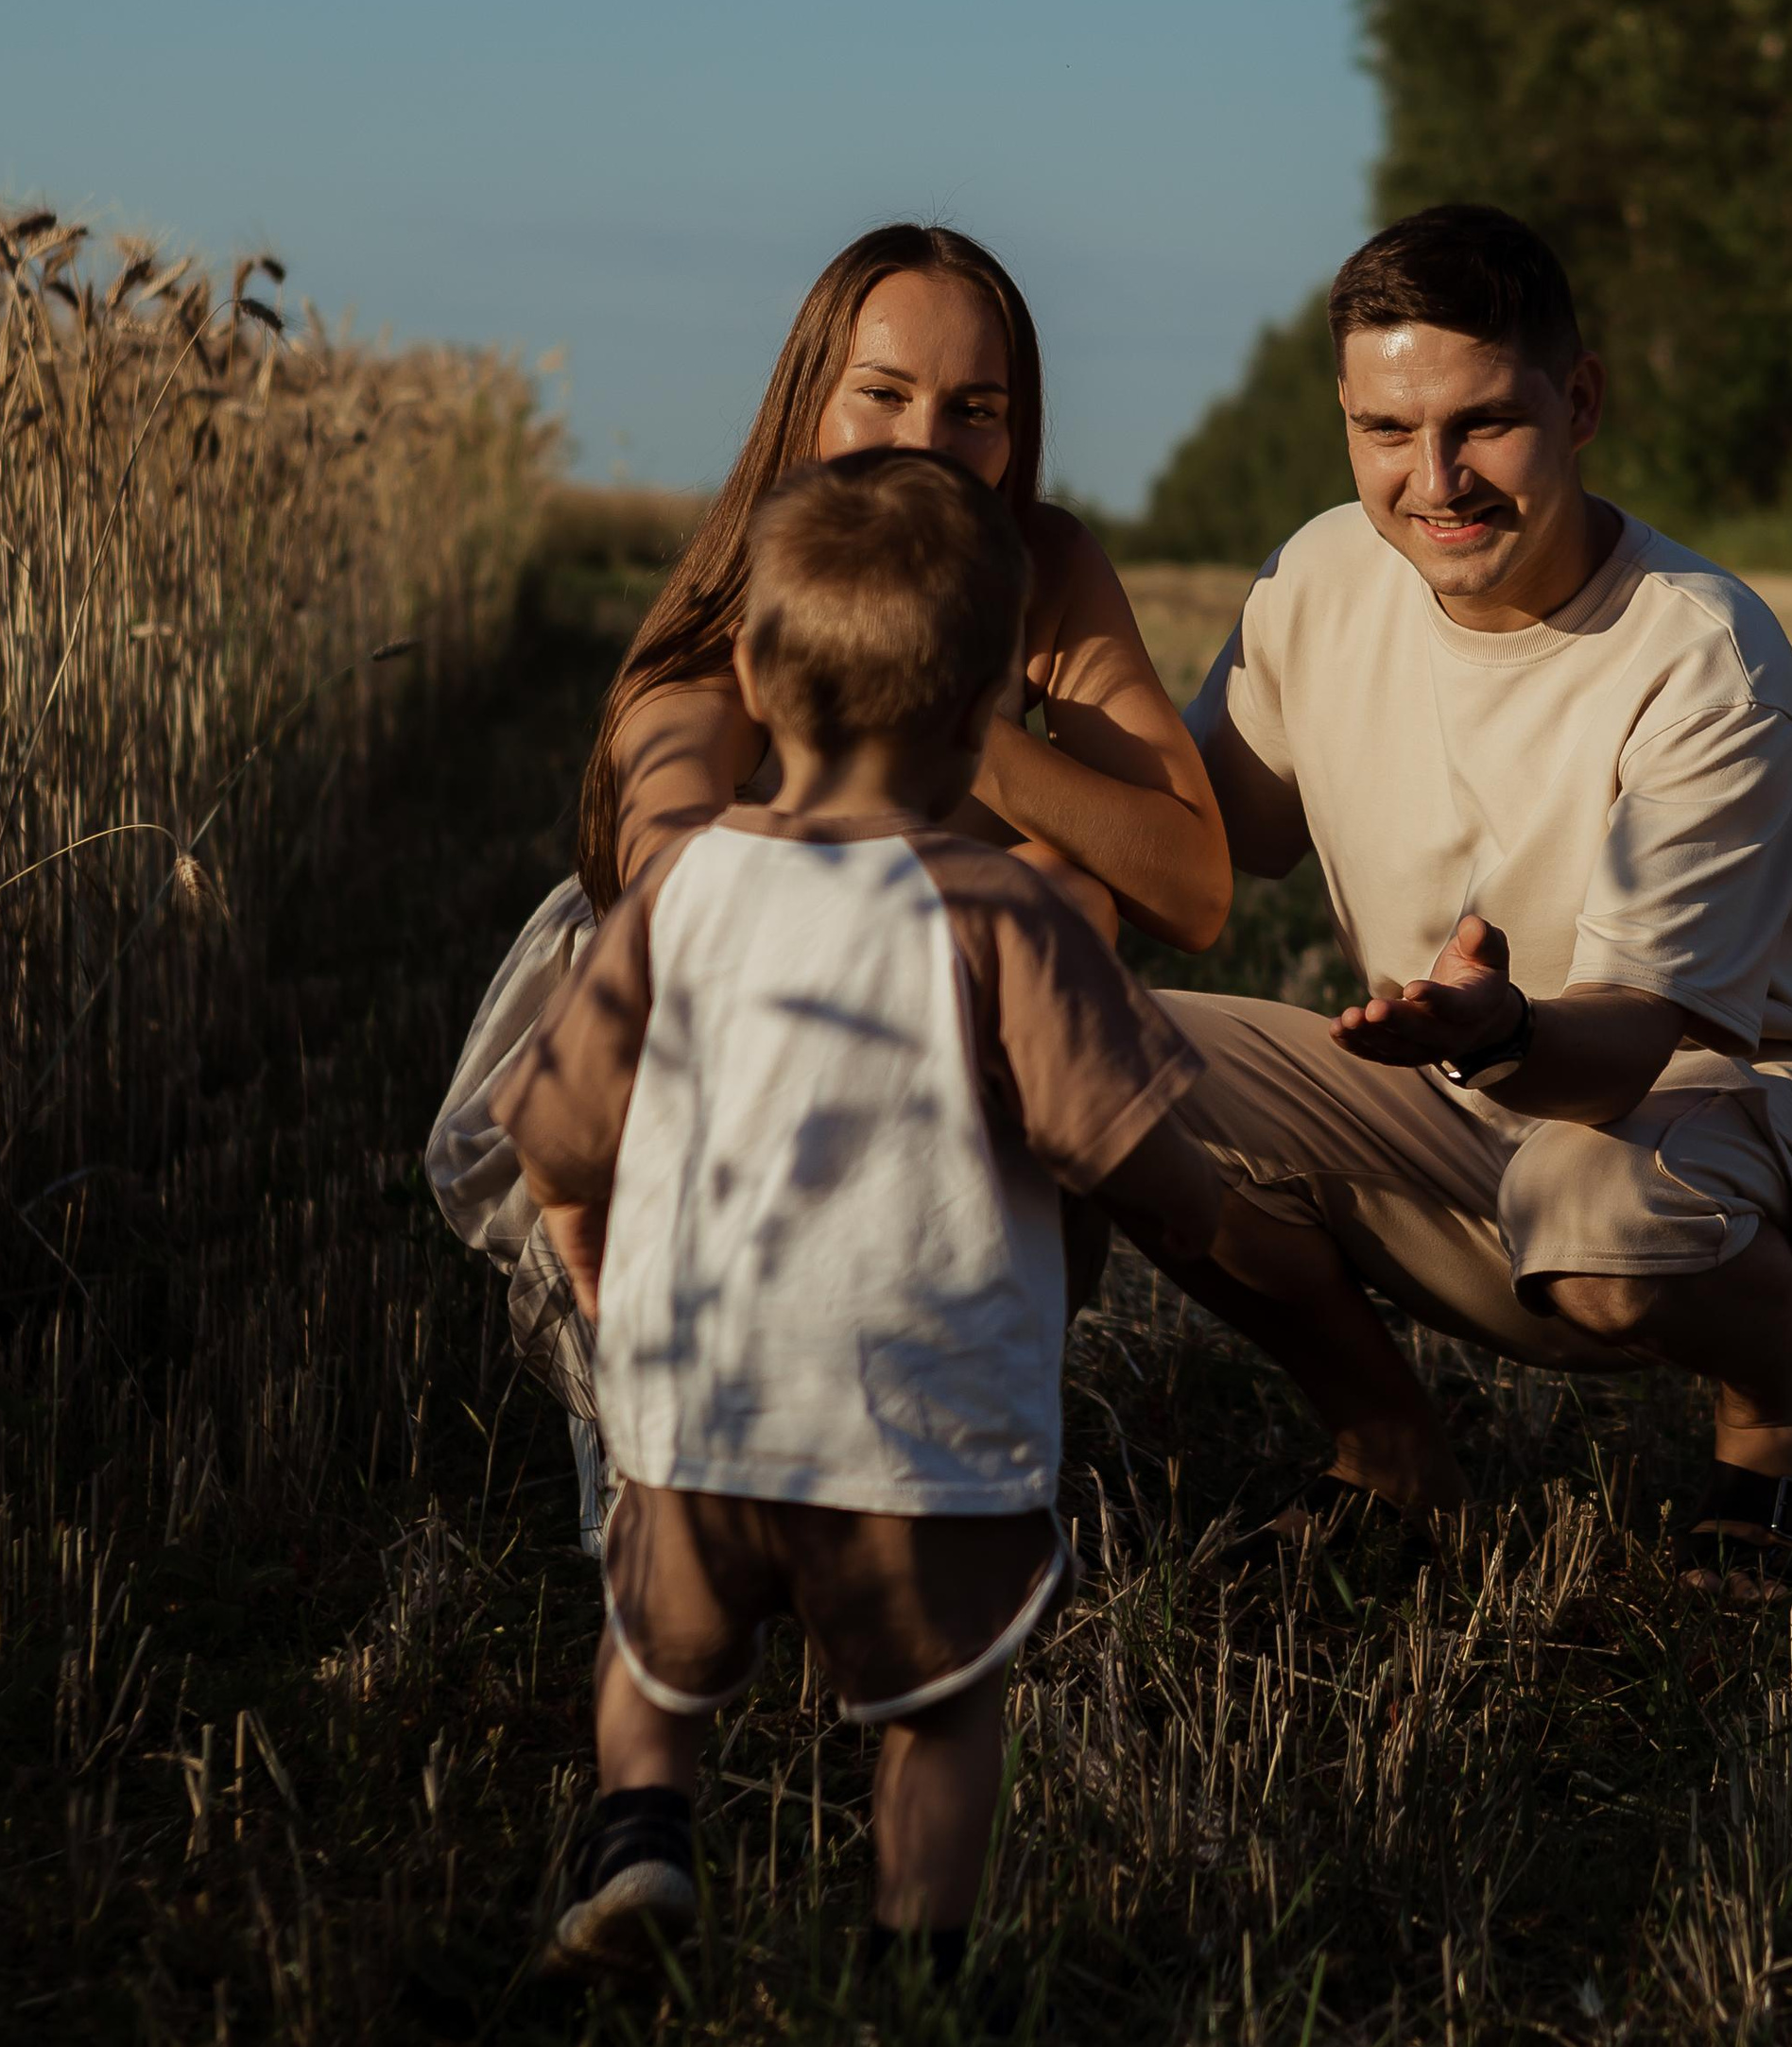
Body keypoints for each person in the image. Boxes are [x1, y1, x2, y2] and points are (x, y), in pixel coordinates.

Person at [494, 448, 1229, 1973]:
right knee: (943, 1712)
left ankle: (642, 1836)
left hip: (698, 1414)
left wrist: (582, 1231)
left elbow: (557, 1126)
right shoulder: (1003, 914)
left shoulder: (678, 893)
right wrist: (1207, 1218)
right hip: (922, 1436)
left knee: (657, 1657)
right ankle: (914, 1969)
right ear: (981, 722)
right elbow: (1131, 1150)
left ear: (755, 674)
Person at [1139, 202, 1792, 1595]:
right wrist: (997, 696)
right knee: (1101, 1064)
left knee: (1595, 1216)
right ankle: (1388, 1451)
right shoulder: (1314, 576)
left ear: (1581, 400)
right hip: (1451, 1095)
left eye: (1483, 424)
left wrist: (1494, 1032)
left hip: (1716, 1115)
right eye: (1385, 432)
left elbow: (1631, 1037)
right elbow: (1206, 844)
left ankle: (1782, 1416)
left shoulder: (1704, 657)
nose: (1436, 480)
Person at [426, 221, 1230, 1505]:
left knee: (1065, 900)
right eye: (884, 395)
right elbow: (675, 883)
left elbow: (1192, 888)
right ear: (809, 401)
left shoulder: (1045, 566)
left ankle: (942, 1367)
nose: (928, 444)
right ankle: (682, 1387)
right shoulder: (737, 615)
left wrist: (956, 724)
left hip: (936, 1065)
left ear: (1018, 432)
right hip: (705, 1063)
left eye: (975, 409)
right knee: (1048, 900)